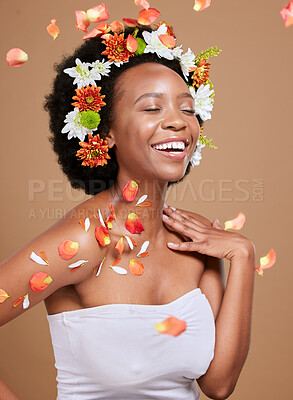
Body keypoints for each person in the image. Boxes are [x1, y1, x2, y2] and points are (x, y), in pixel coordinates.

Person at [0, 4, 256, 399]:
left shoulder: (199, 238)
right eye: (152, 108)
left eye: (187, 108)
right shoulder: (82, 242)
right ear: (106, 134)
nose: (177, 121)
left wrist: (242, 255)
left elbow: (218, 385)